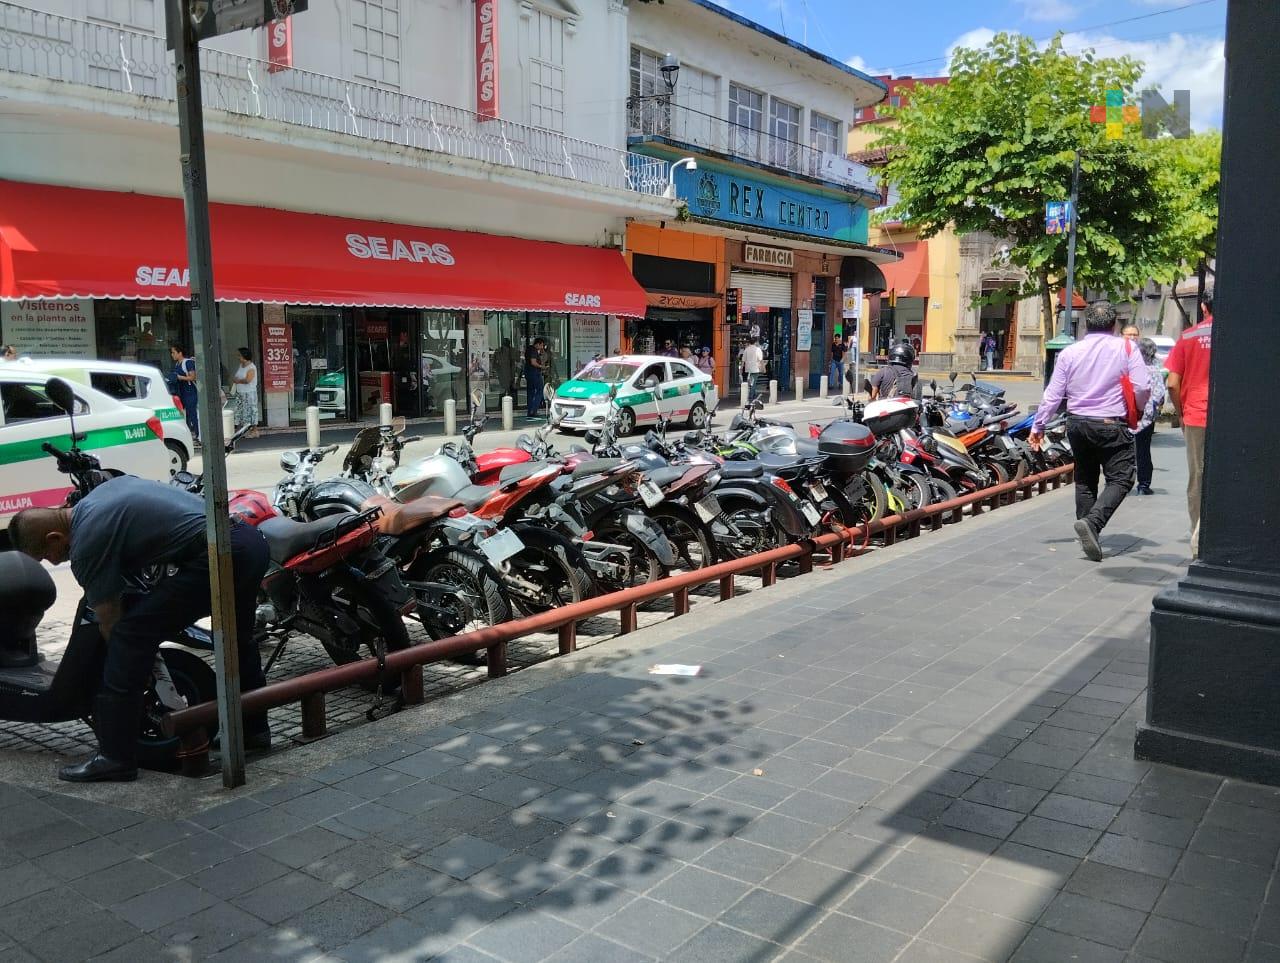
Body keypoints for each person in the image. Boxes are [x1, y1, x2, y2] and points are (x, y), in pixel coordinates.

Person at [7, 477, 271, 781]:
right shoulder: (97, 499)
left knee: (129, 637)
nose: (52, 562)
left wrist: (135, 666)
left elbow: (109, 618)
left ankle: (116, 757)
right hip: (246, 541)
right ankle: (254, 730)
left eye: (46, 556)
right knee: (237, 640)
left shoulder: (86, 544)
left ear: (54, 538)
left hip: (220, 554)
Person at [1029, 300, 1150, 562]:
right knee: (1122, 479)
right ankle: (1092, 524)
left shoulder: (1070, 353)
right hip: (1111, 423)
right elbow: (1142, 387)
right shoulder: (1127, 347)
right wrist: (1137, 410)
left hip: (1077, 423)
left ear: (1086, 325)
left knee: (1085, 479)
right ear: (1114, 324)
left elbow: (1053, 394)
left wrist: (1038, 425)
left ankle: (1086, 530)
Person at [1165, 289, 1213, 557]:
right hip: (1231, 419)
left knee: (1198, 477)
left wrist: (1181, 414)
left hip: (1196, 415)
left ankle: (1198, 536)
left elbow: (1172, 382)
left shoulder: (1189, 336)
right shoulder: (1241, 337)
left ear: (1204, 308)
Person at [1132, 337, 1167, 496]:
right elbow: (1160, 395)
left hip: (1130, 416)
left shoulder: (1131, 369)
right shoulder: (1156, 371)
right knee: (1143, 450)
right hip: (1147, 418)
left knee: (1125, 450)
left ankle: (1123, 481)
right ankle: (1144, 484)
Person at [169, 342, 199, 441]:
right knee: (185, 415)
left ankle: (198, 435)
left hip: (190, 391)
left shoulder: (188, 362)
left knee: (192, 414)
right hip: (181, 392)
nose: (172, 355)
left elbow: (192, 377)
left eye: (173, 352)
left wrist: (179, 377)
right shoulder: (177, 364)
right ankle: (189, 434)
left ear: (180, 353)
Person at [231, 347, 259, 435]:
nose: (238, 357)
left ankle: (254, 430)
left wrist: (238, 381)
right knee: (241, 411)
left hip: (249, 393)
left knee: (251, 411)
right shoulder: (241, 366)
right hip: (240, 392)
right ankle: (245, 430)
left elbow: (248, 380)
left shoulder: (251, 367)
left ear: (244, 356)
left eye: (239, 355)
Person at [524, 337, 546, 418]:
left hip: (528, 372)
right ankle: (534, 410)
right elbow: (533, 362)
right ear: (538, 344)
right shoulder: (533, 350)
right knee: (540, 390)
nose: (542, 347)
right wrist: (541, 366)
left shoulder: (529, 349)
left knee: (530, 392)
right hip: (534, 372)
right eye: (541, 345)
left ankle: (530, 411)